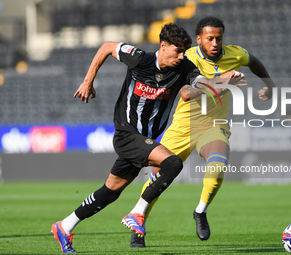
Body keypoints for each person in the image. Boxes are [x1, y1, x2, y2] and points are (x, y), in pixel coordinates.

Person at [50, 22, 241, 254]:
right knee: (172, 164)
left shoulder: (185, 69)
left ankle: (64, 226)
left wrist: (221, 81)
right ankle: (137, 213)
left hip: (144, 140)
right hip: (126, 134)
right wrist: (88, 81)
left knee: (110, 191)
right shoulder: (139, 58)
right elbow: (107, 47)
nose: (182, 56)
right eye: (177, 51)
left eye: (184, 51)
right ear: (163, 45)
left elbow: (190, 91)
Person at [129, 16, 276, 247]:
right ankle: (139, 224)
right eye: (210, 39)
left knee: (218, 164)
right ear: (199, 39)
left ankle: (200, 211)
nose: (215, 43)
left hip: (214, 125)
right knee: (158, 175)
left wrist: (270, 85)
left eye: (219, 38)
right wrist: (222, 80)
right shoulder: (187, 57)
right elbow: (186, 93)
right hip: (183, 126)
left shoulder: (235, 54)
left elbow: (254, 62)